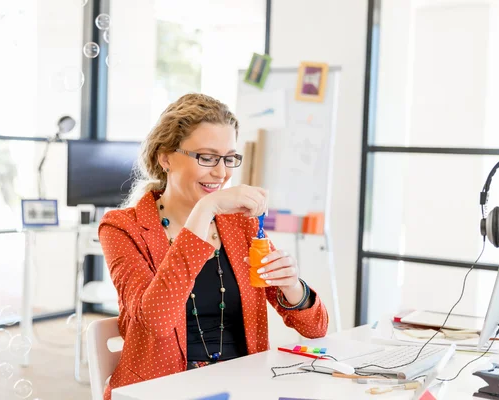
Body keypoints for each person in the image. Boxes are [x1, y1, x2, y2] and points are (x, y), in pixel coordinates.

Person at [98, 93, 329, 400]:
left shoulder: (240, 224)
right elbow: (156, 320)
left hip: (244, 383)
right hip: (161, 390)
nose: (221, 173)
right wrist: (204, 210)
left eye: (229, 158)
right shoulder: (122, 227)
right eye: (206, 158)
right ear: (164, 157)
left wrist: (292, 287)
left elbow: (316, 328)